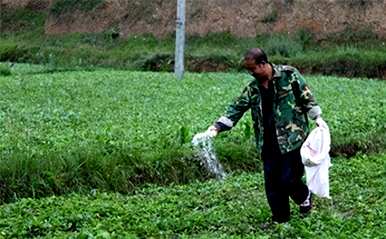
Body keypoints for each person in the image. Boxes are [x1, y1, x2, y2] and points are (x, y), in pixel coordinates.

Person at [198, 48, 327, 223]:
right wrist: (216, 128)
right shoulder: (253, 89)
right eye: (249, 70)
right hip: (267, 142)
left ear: (263, 64)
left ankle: (304, 196)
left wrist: (318, 118)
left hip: (292, 139)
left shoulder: (289, 75)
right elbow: (236, 108)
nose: (251, 74)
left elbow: (306, 97)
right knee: (273, 185)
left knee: (289, 179)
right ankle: (280, 220)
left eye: (253, 69)